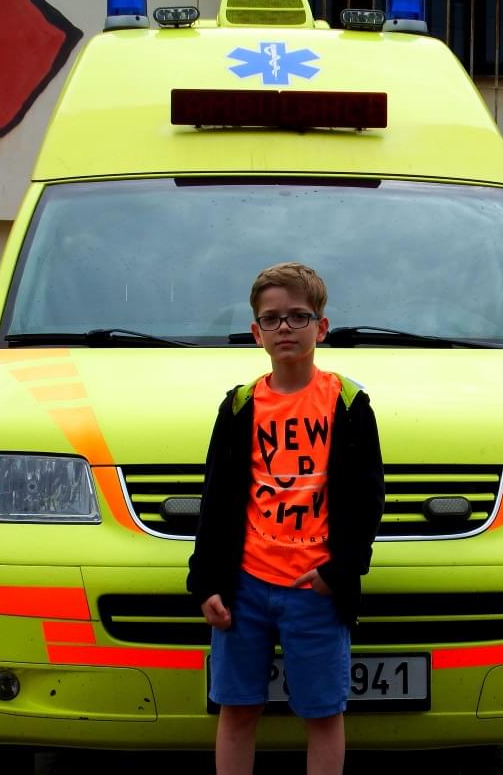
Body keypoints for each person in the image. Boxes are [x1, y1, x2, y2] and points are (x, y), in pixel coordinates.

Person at [187, 262, 385, 775]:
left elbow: (368, 500)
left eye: (299, 316)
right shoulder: (239, 406)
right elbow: (216, 500)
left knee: (323, 715)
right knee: (237, 711)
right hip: (244, 589)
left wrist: (341, 572)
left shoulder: (348, 402)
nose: (285, 328)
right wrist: (205, 581)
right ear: (257, 332)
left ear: (322, 327)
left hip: (315, 589)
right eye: (271, 319)